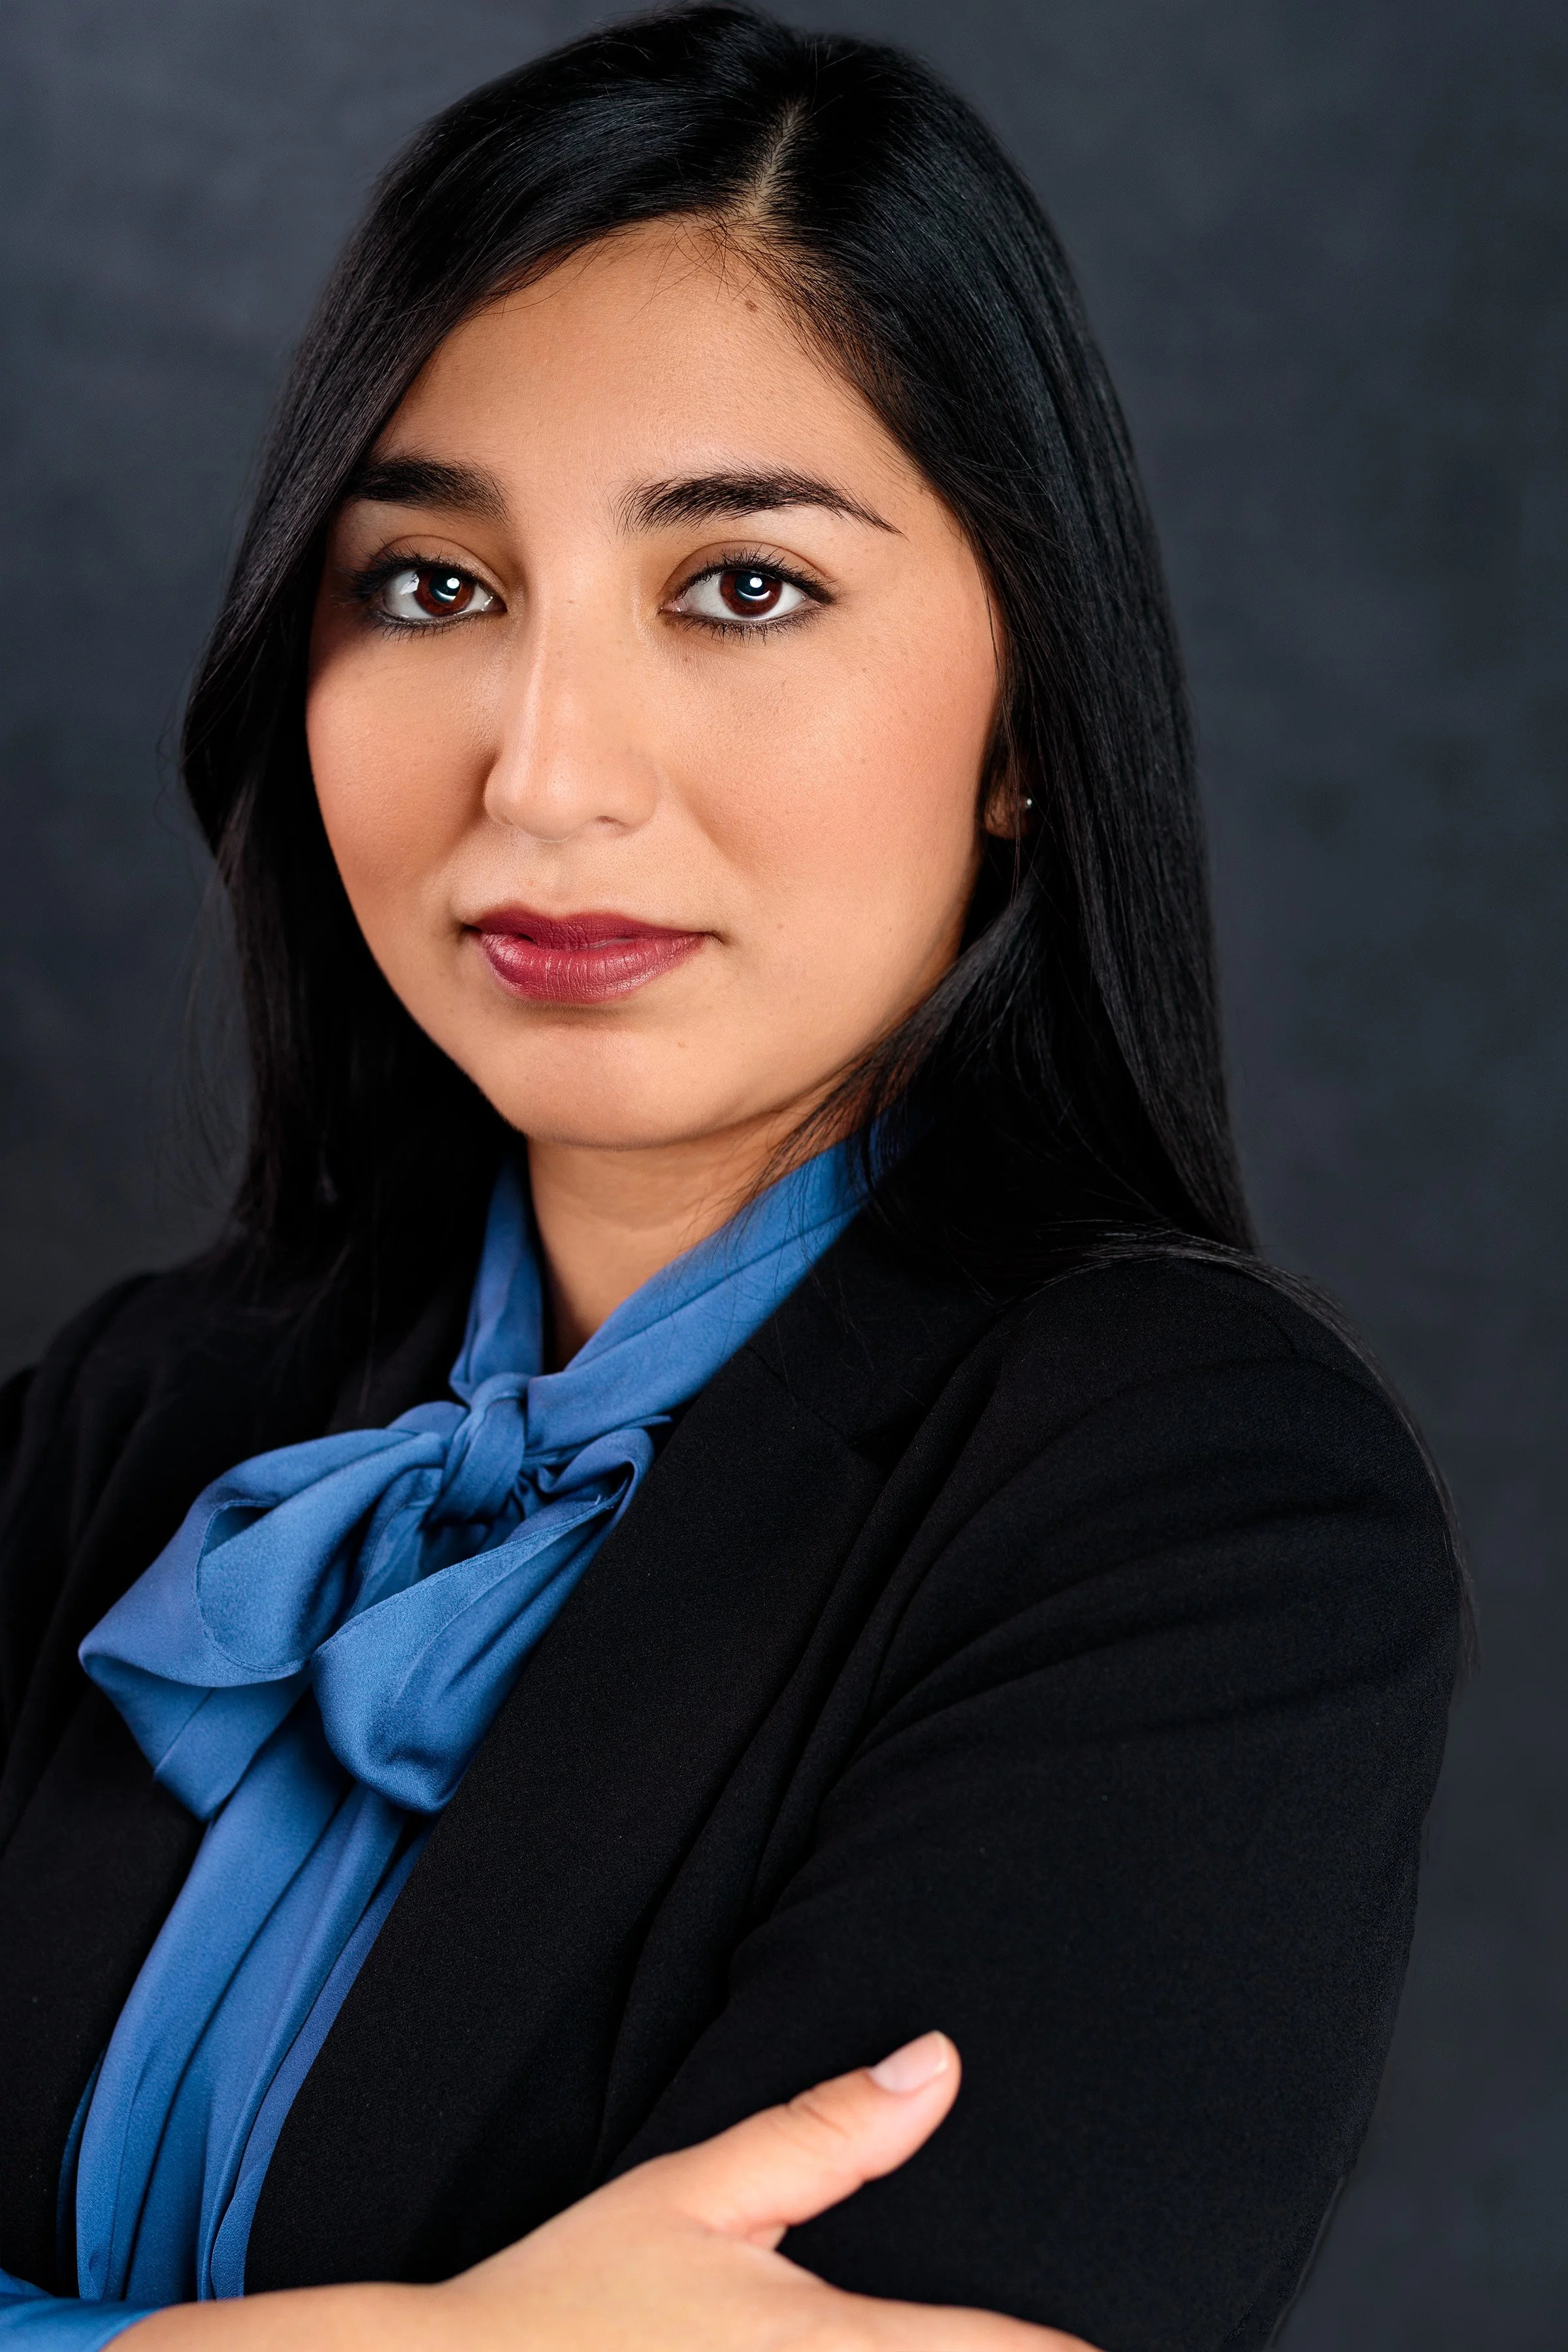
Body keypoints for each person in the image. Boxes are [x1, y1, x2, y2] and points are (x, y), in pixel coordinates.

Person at [0, 9, 1463, 2351]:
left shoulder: (1206, 1516)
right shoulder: (130, 1416)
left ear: (1026, 723)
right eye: (433, 587)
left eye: (743, 588)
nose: (548, 775)